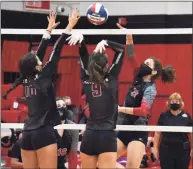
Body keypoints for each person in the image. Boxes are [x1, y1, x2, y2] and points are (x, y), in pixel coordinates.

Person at [2, 10, 80, 169]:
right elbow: (56, 49)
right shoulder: (44, 75)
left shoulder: (25, 78)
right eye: (38, 60)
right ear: (36, 65)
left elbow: (40, 53)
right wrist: (69, 27)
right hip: (44, 132)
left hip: (27, 134)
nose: (40, 59)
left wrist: (48, 30)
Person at [116, 23, 176, 168]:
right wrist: (129, 35)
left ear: (153, 72)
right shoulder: (137, 75)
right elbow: (130, 55)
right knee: (103, 161)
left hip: (137, 130)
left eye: (147, 63)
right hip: (123, 127)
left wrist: (120, 109)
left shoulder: (151, 88)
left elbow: (143, 111)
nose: (143, 64)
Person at [66, 29, 127, 168]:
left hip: (90, 135)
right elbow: (121, 50)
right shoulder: (111, 78)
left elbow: (83, 56)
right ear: (107, 65)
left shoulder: (86, 77)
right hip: (107, 136)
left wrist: (81, 42)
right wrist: (106, 42)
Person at [153, 93, 192, 169]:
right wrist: (155, 148)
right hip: (166, 151)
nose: (175, 103)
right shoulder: (163, 116)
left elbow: (191, 134)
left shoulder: (186, 116)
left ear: (181, 103)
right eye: (172, 101)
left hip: (183, 151)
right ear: (169, 103)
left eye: (177, 101)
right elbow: (157, 133)